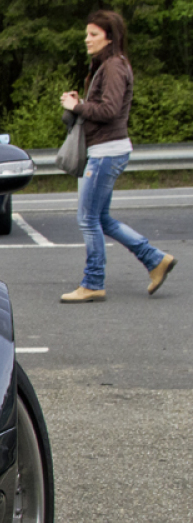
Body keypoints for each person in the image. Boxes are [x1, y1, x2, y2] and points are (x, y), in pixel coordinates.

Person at [58, 10, 176, 303]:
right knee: (103, 219)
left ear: (110, 38)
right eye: (87, 33)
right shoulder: (110, 65)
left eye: (94, 34)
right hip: (107, 150)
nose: (87, 39)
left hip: (105, 152)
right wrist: (83, 103)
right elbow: (106, 106)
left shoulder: (113, 67)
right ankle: (155, 260)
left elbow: (109, 111)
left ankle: (93, 282)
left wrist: (76, 107)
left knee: (87, 218)